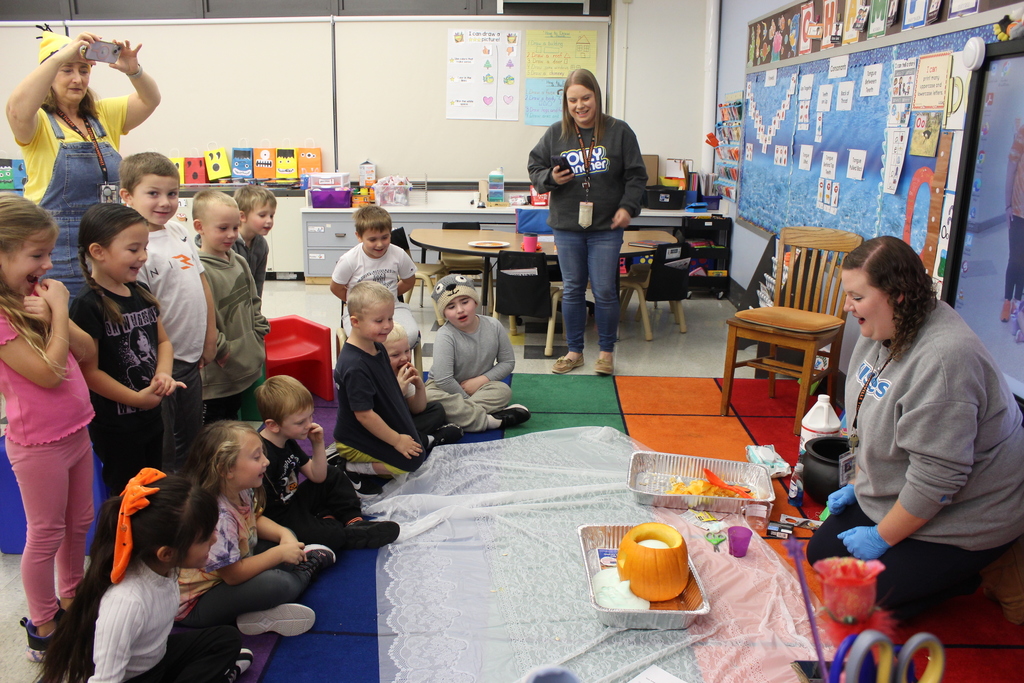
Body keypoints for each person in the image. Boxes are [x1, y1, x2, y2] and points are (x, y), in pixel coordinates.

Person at [806, 235, 1024, 620]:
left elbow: (939, 478)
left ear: (898, 295)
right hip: (910, 488)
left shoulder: (944, 362)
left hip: (968, 509)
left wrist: (880, 537)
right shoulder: (884, 327)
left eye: (856, 296)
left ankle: (983, 568)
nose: (847, 306)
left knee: (855, 603)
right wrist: (860, 485)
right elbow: (870, 414)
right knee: (821, 553)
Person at [40, 470, 252, 683]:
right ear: (167, 553)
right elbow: (105, 680)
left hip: (156, 660)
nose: (215, 539)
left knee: (226, 639)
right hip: (135, 678)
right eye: (205, 538)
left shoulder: (164, 567)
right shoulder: (127, 602)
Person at [0, 195, 96, 660]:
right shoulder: (1, 317)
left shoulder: (31, 298)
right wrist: (57, 311)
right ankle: (42, 623)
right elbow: (48, 373)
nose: (48, 264)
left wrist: (59, 310)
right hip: (38, 445)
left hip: (75, 430)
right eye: (36, 255)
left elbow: (85, 351)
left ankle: (72, 596)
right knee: (45, 533)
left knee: (80, 521)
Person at [6, 28, 160, 297]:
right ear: (49, 72)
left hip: (108, 248)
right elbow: (16, 109)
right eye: (67, 70)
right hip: (59, 253)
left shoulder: (102, 115)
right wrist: (58, 57)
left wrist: (133, 70)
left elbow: (150, 100)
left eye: (84, 70)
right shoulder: (38, 122)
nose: (77, 79)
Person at [527, 68, 647, 377]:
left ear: (597, 96)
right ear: (565, 103)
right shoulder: (556, 133)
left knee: (606, 290)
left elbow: (637, 176)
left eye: (586, 98)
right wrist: (549, 177)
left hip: (607, 227)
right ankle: (574, 351)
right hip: (567, 226)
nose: (580, 106)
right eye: (572, 101)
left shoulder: (619, 132)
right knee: (572, 290)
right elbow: (534, 167)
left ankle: (606, 352)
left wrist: (628, 208)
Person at [178, 421, 336, 636]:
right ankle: (304, 573)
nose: (266, 461)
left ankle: (256, 613)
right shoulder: (218, 516)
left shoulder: (239, 488)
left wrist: (284, 535)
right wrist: (279, 553)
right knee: (278, 583)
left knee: (283, 542)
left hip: (227, 574)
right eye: (256, 457)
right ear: (226, 469)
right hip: (197, 603)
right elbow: (233, 576)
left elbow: (254, 518)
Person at [70, 203, 182, 493]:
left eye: (144, 248)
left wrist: (164, 374)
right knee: (126, 496)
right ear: (98, 251)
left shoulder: (139, 293)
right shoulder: (87, 305)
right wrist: (137, 399)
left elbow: (163, 342)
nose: (143, 257)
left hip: (151, 416)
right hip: (117, 428)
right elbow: (89, 372)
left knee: (153, 487)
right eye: (133, 250)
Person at [121, 152, 217, 471]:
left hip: (191, 356)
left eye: (172, 194)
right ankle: (167, 500)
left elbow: (201, 284)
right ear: (127, 196)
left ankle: (193, 493)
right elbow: (144, 314)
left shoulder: (178, 231)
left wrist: (210, 336)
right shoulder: (136, 247)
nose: (165, 202)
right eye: (153, 193)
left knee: (193, 435)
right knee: (164, 440)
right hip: (162, 362)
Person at [254, 375, 401, 553]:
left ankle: (354, 521)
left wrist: (317, 444)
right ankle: (341, 531)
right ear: (273, 425)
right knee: (331, 535)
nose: (309, 424)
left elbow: (318, 476)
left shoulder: (288, 441)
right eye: (301, 422)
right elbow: (258, 513)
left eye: (310, 416)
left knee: (334, 474)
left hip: (294, 501)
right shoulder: (262, 457)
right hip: (279, 518)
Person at [333, 281, 425, 493]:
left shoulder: (377, 347)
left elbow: (388, 390)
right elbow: (364, 415)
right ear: (355, 322)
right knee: (409, 463)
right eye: (379, 320)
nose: (387, 325)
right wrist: (397, 440)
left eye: (390, 318)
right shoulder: (355, 366)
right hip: (354, 437)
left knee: (417, 450)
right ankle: (349, 466)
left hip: (376, 423)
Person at [193, 189, 269, 424]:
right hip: (217, 377)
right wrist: (222, 350)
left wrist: (258, 329)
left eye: (235, 228)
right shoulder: (198, 271)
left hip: (243, 367)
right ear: (199, 227)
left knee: (233, 420)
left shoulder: (240, 261)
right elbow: (200, 320)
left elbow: (253, 299)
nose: (231, 235)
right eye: (222, 228)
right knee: (214, 429)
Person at [425, 274, 531, 432]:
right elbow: (443, 379)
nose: (460, 310)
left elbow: (507, 362)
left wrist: (481, 380)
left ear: (475, 301)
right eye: (451, 306)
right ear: (444, 313)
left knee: (503, 391)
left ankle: (450, 418)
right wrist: (466, 400)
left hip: (480, 387)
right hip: (443, 389)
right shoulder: (445, 335)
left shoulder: (494, 326)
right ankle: (489, 421)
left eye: (465, 302)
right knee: (428, 397)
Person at [330, 205, 420, 350]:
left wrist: (390, 296)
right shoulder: (349, 259)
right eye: (372, 240)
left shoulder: (398, 254)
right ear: (359, 237)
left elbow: (409, 280)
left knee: (409, 334)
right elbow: (336, 287)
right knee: (368, 340)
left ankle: (395, 369)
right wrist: (357, 303)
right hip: (361, 311)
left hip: (393, 308)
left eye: (385, 237)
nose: (380, 244)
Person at [383, 323, 464, 447]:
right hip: (385, 427)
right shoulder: (377, 376)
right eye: (395, 355)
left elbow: (417, 409)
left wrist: (420, 387)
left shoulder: (403, 372)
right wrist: (399, 393)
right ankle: (430, 439)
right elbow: (383, 416)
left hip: (404, 422)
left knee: (436, 409)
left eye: (407, 351)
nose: (404, 358)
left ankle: (420, 439)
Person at [233, 185, 275, 298]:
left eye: (271, 215)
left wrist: (256, 312)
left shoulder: (261, 245)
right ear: (242, 216)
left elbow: (258, 282)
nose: (269, 221)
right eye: (262, 215)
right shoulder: (229, 244)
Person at [1002, 120, 1024, 323]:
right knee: (1015, 258)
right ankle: (1007, 300)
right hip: (1018, 209)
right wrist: (1007, 205)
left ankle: (1018, 300)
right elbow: (1011, 167)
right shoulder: (1023, 132)